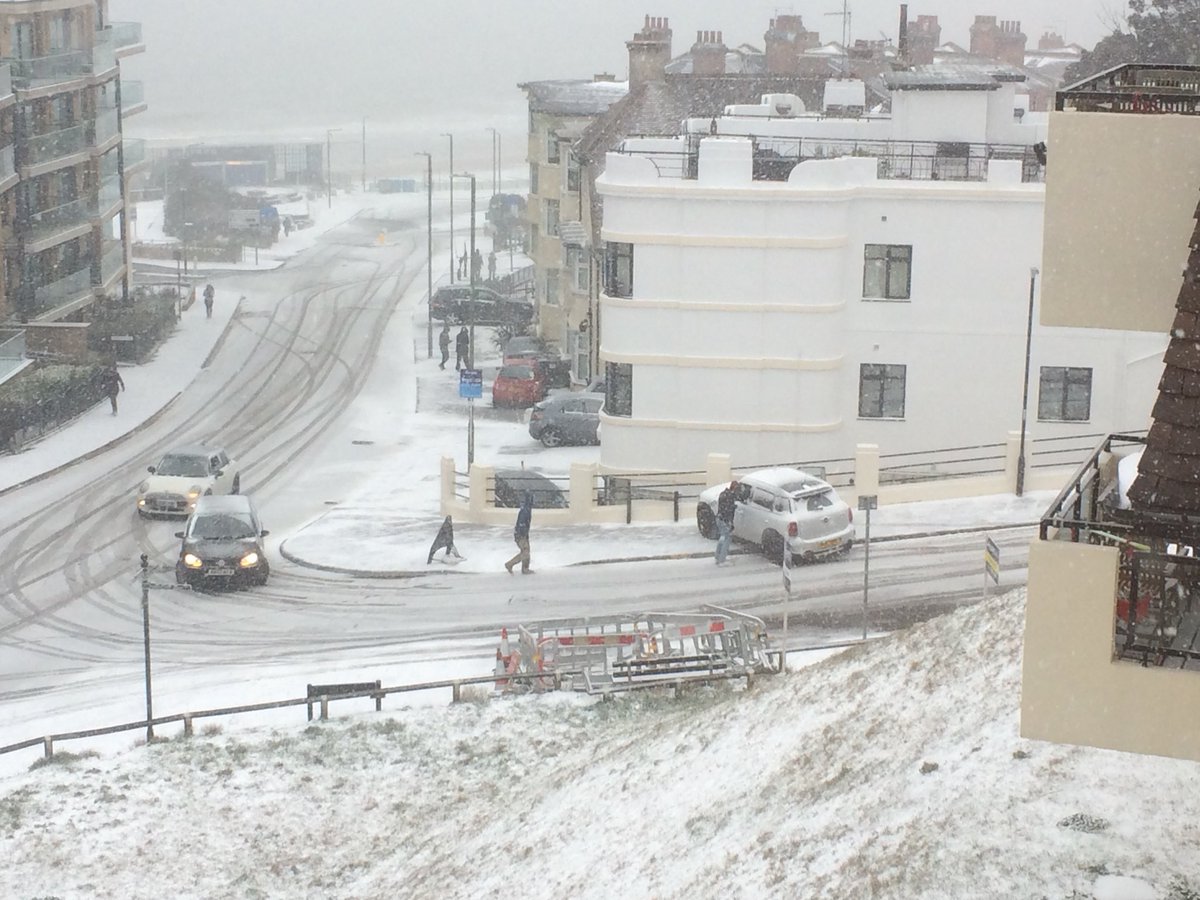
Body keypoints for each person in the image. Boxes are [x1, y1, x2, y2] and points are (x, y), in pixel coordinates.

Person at [505, 492, 533, 574]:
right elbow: (521, 523)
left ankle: (525, 568)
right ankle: (510, 564)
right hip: (521, 535)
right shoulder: (525, 511)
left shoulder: (526, 509)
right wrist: (523, 534)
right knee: (525, 551)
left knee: (526, 551)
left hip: (522, 534)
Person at [715, 478, 738, 566]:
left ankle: (718, 556)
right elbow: (728, 511)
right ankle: (722, 560)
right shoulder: (730, 497)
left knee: (722, 538)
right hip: (724, 521)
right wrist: (730, 523)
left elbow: (723, 508)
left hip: (719, 518)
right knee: (727, 539)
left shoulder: (723, 494)